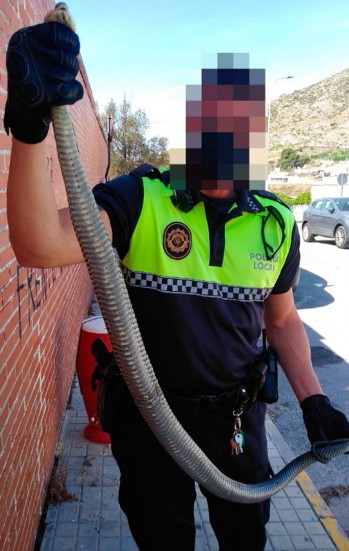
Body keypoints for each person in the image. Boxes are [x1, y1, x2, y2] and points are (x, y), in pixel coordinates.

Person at [5, 21, 349, 551]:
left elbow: (280, 320)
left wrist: (314, 401)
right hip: (149, 422)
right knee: (163, 540)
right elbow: (40, 244)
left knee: (246, 540)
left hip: (236, 423)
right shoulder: (142, 200)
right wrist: (29, 129)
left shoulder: (275, 224)